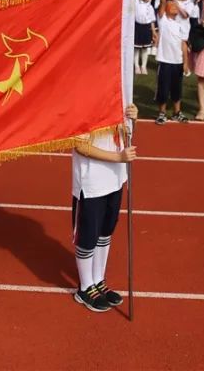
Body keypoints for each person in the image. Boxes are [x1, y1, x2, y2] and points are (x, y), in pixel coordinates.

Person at [72, 104, 138, 313]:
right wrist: (118, 158)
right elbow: (80, 146)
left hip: (115, 178)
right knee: (88, 235)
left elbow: (125, 135)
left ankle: (99, 279)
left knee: (105, 231)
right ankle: (84, 288)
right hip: (92, 182)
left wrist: (132, 119)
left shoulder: (116, 97)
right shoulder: (82, 102)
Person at [154, 0, 190, 124]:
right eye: (172, 5)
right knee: (163, 89)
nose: (175, 7)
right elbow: (162, 2)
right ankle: (162, 113)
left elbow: (184, 45)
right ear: (166, 9)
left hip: (178, 62)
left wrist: (185, 63)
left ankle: (177, 112)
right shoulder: (163, 21)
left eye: (176, 6)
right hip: (165, 62)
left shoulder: (180, 26)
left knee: (177, 89)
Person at [133, 0, 158, 75]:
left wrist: (154, 32)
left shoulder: (150, 7)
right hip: (137, 27)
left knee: (144, 49)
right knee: (136, 48)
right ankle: (136, 66)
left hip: (146, 28)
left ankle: (143, 66)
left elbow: (152, 21)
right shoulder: (136, 2)